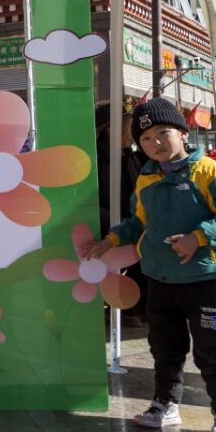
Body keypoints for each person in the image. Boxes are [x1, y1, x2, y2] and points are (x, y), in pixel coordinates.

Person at [82, 98, 216, 432]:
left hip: (203, 281)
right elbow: (138, 223)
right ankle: (165, 404)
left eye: (163, 133)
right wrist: (110, 240)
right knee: (164, 348)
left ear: (183, 133)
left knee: (213, 350)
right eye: (145, 138)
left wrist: (198, 238)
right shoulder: (146, 177)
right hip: (159, 280)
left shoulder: (211, 172)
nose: (154, 143)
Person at [95, 102, 147, 325]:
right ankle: (130, 306)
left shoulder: (131, 157)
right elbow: (91, 204)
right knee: (144, 244)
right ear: (110, 129)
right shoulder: (96, 159)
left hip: (129, 223)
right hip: (106, 228)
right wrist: (120, 225)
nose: (132, 131)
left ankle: (136, 305)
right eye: (127, 125)